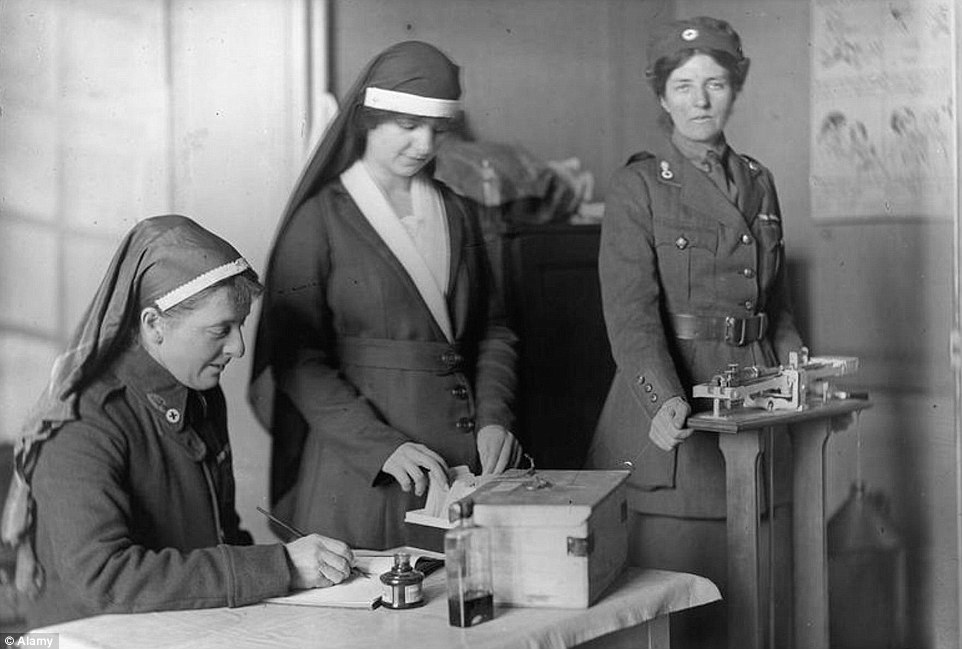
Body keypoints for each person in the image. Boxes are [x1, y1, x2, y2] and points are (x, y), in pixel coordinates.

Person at [0, 215, 354, 628]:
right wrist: (282, 567)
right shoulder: (83, 422)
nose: (238, 347)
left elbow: (222, 534)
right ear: (154, 325)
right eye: (220, 329)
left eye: (239, 327)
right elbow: (103, 578)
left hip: (178, 625)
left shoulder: (200, 394)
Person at [249, 41, 520, 551]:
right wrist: (381, 448)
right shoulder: (319, 221)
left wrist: (493, 417)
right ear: (368, 119)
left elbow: (492, 331)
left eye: (437, 130)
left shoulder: (458, 212)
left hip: (466, 467)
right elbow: (297, 362)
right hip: (366, 474)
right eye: (408, 126)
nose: (423, 144)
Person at [585, 17, 803, 646]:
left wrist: (800, 378)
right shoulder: (640, 186)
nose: (699, 101)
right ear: (662, 96)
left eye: (714, 84)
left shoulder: (760, 181)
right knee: (683, 619)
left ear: (735, 88)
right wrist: (664, 398)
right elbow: (629, 314)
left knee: (756, 608)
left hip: (756, 407)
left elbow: (778, 307)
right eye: (683, 86)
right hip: (674, 427)